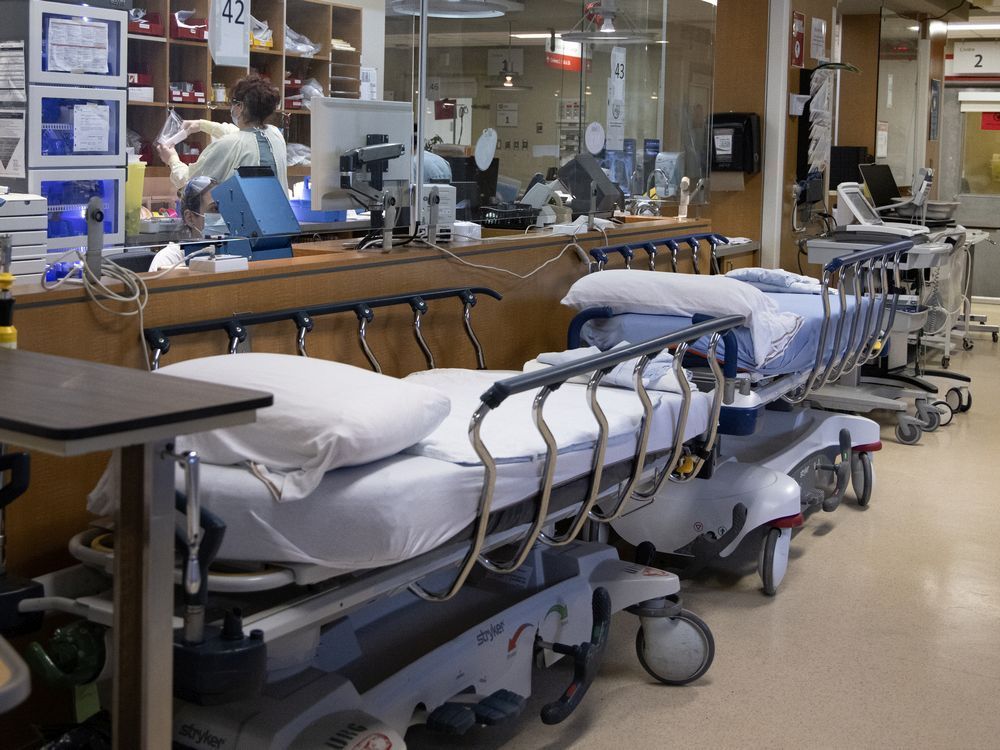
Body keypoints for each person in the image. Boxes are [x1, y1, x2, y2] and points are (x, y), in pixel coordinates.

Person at [156, 74, 289, 195]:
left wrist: (172, 159)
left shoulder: (228, 144)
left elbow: (190, 183)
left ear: (240, 107)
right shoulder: (275, 134)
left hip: (245, 220)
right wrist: (202, 125)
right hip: (282, 218)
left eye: (233, 103)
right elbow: (240, 134)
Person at [148, 176, 222, 271]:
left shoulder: (230, 253)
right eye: (215, 209)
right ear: (190, 218)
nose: (223, 216)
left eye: (224, 208)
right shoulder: (168, 260)